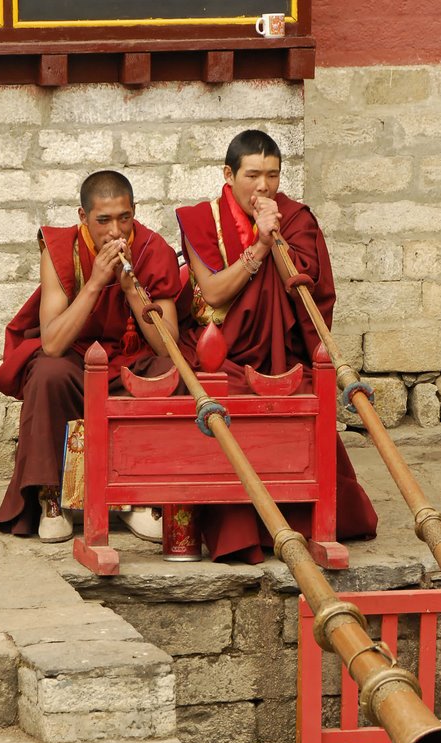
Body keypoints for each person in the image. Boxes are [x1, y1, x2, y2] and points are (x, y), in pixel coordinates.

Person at [175, 129, 377, 563]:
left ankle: (305, 521)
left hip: (282, 356)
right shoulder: (201, 219)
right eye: (252, 175)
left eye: (272, 175)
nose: (263, 187)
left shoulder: (296, 219)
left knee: (302, 394)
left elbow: (312, 292)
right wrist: (261, 246)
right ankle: (239, 526)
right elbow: (211, 293)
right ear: (229, 175)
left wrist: (277, 238)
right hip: (224, 355)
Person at [0, 170, 181, 543]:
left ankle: (141, 499)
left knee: (165, 371)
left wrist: (131, 291)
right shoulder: (62, 249)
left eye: (124, 218)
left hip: (131, 359)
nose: (116, 231)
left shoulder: (150, 249)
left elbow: (167, 344)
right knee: (47, 372)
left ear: (134, 212)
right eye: (103, 220)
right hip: (75, 360)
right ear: (83, 218)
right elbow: (53, 342)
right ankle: (52, 497)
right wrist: (95, 282)